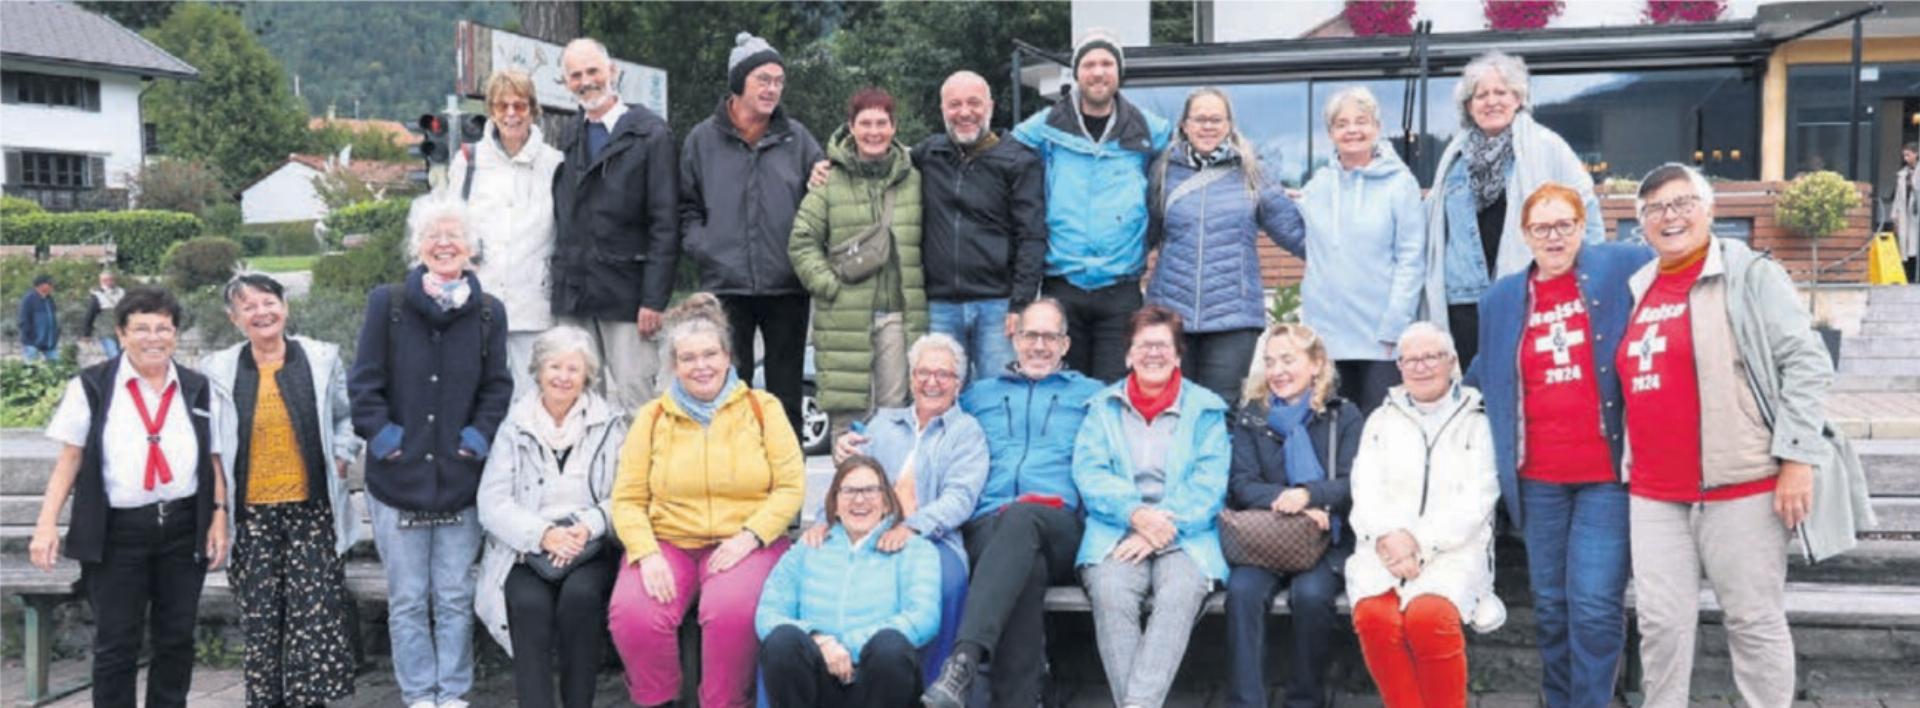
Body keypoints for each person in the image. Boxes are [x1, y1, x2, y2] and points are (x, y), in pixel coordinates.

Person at [1619, 163, 1872, 707]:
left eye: (1682, 202)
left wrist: (1797, 459)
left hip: (1742, 489)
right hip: (1655, 495)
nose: (1670, 216)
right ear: (1642, 224)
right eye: (1656, 208)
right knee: (1661, 630)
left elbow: (1805, 363)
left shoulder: (1750, 273)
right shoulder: (1640, 286)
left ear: (1710, 210)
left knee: (1754, 625)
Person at [1467, 183, 1650, 707]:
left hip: (1604, 477)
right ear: (1525, 234)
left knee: (1593, 604)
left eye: (1564, 224)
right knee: (1550, 604)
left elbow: (1679, 254)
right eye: (1542, 227)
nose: (1554, 236)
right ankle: (1559, 698)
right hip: (1537, 477)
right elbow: (1486, 371)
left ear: (1581, 226)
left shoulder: (1621, 268)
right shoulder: (1502, 297)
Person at [28, 286, 229, 708]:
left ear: (175, 334)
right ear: (121, 334)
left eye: (163, 328)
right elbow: (69, 460)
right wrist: (46, 525)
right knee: (116, 642)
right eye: (141, 329)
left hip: (181, 526)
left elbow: (214, 458)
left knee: (176, 638)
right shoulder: (93, 387)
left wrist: (218, 517)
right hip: (118, 531)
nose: (153, 338)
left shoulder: (197, 388)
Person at [349, 198, 514, 708]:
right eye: (433, 234)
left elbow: (497, 387)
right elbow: (365, 383)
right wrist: (386, 440)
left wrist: (476, 440)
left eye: (455, 235)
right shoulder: (388, 303)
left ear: (471, 247)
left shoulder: (489, 312)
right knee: (406, 599)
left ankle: (455, 693)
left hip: (459, 480)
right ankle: (420, 694)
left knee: (453, 596)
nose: (444, 243)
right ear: (417, 245)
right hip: (397, 481)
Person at [607, 297, 805, 708]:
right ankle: (658, 700)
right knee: (634, 614)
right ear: (673, 365)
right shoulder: (652, 418)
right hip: (669, 542)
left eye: (710, 354)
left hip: (746, 542)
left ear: (729, 356)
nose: (701, 366)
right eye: (688, 358)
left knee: (730, 612)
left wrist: (750, 536)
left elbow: (790, 487)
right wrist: (646, 553)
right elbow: (626, 499)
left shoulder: (762, 408)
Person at [922, 298, 1105, 708]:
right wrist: (859, 435)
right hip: (990, 525)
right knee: (1026, 565)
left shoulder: (1092, 396)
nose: (1039, 346)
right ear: (1015, 339)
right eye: (1030, 335)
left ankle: (963, 660)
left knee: (1024, 522)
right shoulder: (979, 395)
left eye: (1049, 337)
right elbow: (928, 418)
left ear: (1065, 344)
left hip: (1060, 525)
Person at [202, 273, 360, 707]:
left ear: (284, 307)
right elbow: (212, 444)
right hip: (250, 516)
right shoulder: (219, 368)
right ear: (235, 319)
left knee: (315, 620)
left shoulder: (321, 358)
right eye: (248, 306)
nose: (261, 312)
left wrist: (343, 452)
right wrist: (218, 512)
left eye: (268, 301)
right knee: (262, 620)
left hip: (311, 511)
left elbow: (347, 416)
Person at [1073, 304, 1231, 708]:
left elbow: (1209, 483)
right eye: (1144, 346)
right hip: (1117, 530)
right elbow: (1090, 474)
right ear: (1128, 354)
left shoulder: (1206, 409)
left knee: (1179, 591)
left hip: (1188, 534)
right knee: (1110, 590)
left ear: (1178, 354)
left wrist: (1161, 526)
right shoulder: (1101, 408)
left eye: (1162, 346)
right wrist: (1136, 515)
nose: (1153, 354)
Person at [1346, 322, 1503, 708]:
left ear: (1452, 362)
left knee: (1429, 617)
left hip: (1453, 550)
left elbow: (1479, 499)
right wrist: (1390, 539)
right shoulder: (1381, 420)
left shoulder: (1478, 420)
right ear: (1398, 367)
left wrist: (1420, 543)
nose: (1421, 366)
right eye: (1410, 359)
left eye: (1431, 356)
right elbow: (1364, 488)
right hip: (1384, 549)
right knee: (1374, 616)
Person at [679, 31, 826, 440]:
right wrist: (705, 249)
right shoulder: (701, 140)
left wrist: (822, 177)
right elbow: (686, 209)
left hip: (787, 287)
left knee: (784, 402)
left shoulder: (798, 138)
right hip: (725, 288)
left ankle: (788, 499)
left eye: (779, 81)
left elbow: (826, 195)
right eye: (763, 79)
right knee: (728, 398)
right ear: (738, 82)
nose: (772, 89)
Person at [821, 333, 988, 682]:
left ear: (958, 384)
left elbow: (960, 498)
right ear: (911, 378)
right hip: (874, 534)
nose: (932, 382)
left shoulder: (967, 432)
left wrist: (912, 528)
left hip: (935, 539)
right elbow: (855, 481)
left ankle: (936, 688)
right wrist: (842, 465)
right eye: (923, 373)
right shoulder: (884, 423)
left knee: (945, 584)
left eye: (943, 375)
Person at [1421, 51, 1603, 369]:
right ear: (1468, 105)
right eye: (1481, 95)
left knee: (1523, 388)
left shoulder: (1547, 146)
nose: (1491, 101)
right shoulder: (1453, 156)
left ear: (1518, 98)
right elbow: (1433, 225)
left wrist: (1586, 280)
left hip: (1525, 294)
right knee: (1470, 396)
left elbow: (1586, 212)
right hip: (1462, 301)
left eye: (1501, 92)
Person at [475, 326, 625, 708]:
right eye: (554, 366)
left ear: (586, 375)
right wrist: (542, 534)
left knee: (581, 597)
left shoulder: (609, 424)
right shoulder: (514, 426)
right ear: (538, 371)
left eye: (573, 369)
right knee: (528, 604)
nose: (563, 376)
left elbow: (625, 495)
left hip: (589, 544)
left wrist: (587, 527)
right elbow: (492, 501)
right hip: (526, 548)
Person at [1013, 29, 1172, 383]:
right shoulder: (1046, 126)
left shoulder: (1152, 129)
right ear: (1076, 72)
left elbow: (1182, 170)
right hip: (1062, 283)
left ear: (1119, 72)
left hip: (1121, 286)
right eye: (1089, 64)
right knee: (1063, 388)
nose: (1098, 72)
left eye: (1106, 64)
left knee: (1114, 392)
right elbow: (1004, 159)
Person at [1223, 323, 1363, 708]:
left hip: (1326, 541)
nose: (1277, 371)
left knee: (1312, 595)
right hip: (1267, 537)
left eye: (1288, 359)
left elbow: (1357, 482)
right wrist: (1291, 501)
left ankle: (1305, 699)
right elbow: (1242, 484)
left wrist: (1311, 494)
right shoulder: (1253, 415)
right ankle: (1245, 701)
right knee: (1242, 593)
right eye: (1270, 361)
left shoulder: (1343, 416)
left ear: (1316, 364)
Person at [1146, 87, 1305, 401]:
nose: (1208, 126)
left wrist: (1349, 257)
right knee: (1171, 408)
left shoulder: (1252, 173)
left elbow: (1295, 233)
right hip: (1171, 315)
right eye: (1200, 119)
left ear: (1229, 125)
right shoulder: (1162, 172)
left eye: (1216, 119)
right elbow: (1141, 236)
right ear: (1184, 125)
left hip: (1234, 318)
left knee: (1223, 411)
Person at [789, 86, 927, 438]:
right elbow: (802, 241)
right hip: (843, 317)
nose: (874, 131)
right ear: (851, 126)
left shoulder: (914, 176)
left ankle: (888, 492)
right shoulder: (829, 179)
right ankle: (848, 493)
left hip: (898, 317)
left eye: (882, 122)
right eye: (865, 122)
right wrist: (829, 288)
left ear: (894, 127)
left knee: (894, 418)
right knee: (847, 419)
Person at [550, 41, 679, 412]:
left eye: (593, 71)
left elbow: (665, 222)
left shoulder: (650, 134)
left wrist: (654, 298)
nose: (586, 81)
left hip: (628, 294)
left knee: (638, 401)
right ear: (565, 82)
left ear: (613, 71)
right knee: (580, 402)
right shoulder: (569, 134)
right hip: (576, 295)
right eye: (576, 75)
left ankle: (644, 473)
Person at [757, 455, 942, 708]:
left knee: (891, 646)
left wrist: (849, 647)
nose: (859, 499)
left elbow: (923, 617)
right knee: (782, 641)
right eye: (849, 491)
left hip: (878, 679)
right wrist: (820, 641)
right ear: (834, 504)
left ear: (887, 502)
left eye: (870, 490)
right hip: (819, 677)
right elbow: (768, 613)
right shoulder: (808, 547)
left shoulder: (915, 550)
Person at [1285, 87, 1426, 414]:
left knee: (1380, 431)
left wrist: (1395, 324)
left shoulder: (1400, 184)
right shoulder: (1318, 184)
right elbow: (1300, 220)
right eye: (1341, 124)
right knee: (1334, 435)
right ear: (1331, 133)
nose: (1352, 130)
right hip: (1327, 336)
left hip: (1380, 339)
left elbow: (1411, 259)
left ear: (1376, 127)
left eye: (1361, 121)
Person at [917, 71, 1047, 383]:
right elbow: (878, 157)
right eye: (955, 104)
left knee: (998, 398)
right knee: (940, 400)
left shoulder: (1018, 161)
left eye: (973, 103)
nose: (964, 112)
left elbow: (1032, 235)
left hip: (998, 307)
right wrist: (825, 166)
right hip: (939, 306)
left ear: (991, 106)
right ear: (942, 110)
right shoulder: (927, 155)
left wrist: (1021, 303)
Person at [448, 68, 564, 398]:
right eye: (501, 106)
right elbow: (450, 225)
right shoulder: (468, 161)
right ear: (491, 111)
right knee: (476, 399)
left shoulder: (555, 163)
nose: (511, 114)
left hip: (533, 309)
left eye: (519, 105)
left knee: (531, 401)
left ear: (533, 109)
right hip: (476, 305)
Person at [84, 270, 125, 360]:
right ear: (101, 281)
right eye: (105, 280)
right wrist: (87, 333)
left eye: (110, 279)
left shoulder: (121, 292)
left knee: (123, 357)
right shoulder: (97, 295)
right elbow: (90, 315)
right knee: (114, 356)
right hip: (106, 331)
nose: (108, 282)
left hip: (121, 331)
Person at [18, 274, 58, 362]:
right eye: (49, 284)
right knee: (31, 370)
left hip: (49, 343)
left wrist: (55, 337)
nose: (52, 286)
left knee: (57, 367)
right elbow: (24, 320)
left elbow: (53, 320)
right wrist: (29, 339)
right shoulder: (29, 299)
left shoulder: (50, 300)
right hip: (32, 343)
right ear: (41, 285)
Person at [1896, 141, 1918, 281]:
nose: (1905, 158)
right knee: (1905, 247)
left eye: (1908, 155)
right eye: (1904, 155)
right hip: (1904, 214)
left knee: (1915, 246)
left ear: (1916, 154)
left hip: (1916, 214)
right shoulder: (1902, 174)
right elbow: (1897, 197)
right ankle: (1907, 278)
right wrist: (1895, 215)